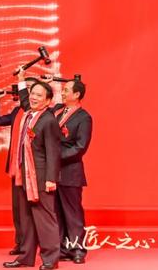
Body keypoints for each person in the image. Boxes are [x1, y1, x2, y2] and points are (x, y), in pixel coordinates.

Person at [3, 68, 61, 270]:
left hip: (41, 177)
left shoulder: (48, 120)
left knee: (45, 219)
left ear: (48, 101)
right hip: (23, 175)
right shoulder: (29, 112)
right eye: (32, 93)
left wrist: (51, 178)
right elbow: (24, 99)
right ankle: (25, 257)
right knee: (26, 219)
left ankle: (50, 259)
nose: (34, 98)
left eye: (39, 95)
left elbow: (54, 152)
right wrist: (21, 79)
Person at [42, 75, 93, 264]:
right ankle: (63, 248)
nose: (62, 93)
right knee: (57, 213)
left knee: (73, 213)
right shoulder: (57, 110)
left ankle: (78, 249)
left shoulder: (84, 117)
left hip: (70, 171)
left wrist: (54, 156)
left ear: (77, 94)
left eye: (66, 90)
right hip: (52, 172)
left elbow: (80, 147)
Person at [0, 77, 39, 256]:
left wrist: (21, 81)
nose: (27, 93)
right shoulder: (18, 110)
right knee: (18, 209)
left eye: (30, 89)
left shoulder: (38, 113)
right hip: (16, 166)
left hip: (32, 168)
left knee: (31, 210)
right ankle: (20, 242)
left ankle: (33, 244)